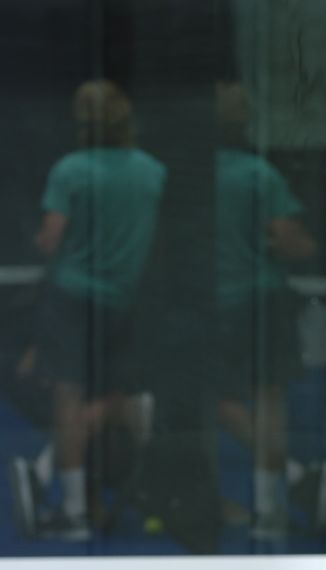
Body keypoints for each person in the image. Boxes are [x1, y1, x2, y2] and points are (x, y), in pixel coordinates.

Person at [9, 79, 164, 541]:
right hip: (123, 302)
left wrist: (40, 240)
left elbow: (51, 238)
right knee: (103, 398)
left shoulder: (71, 170)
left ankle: (73, 512)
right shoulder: (153, 172)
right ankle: (120, 419)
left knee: (68, 403)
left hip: (71, 301)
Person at [212, 80, 326, 541]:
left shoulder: (190, 178)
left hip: (213, 306)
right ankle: (274, 504)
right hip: (260, 300)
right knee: (269, 403)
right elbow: (293, 242)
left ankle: (285, 490)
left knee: (216, 399)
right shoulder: (256, 174)